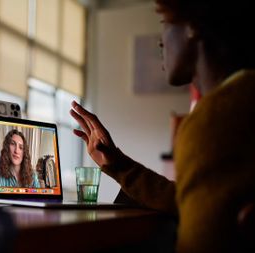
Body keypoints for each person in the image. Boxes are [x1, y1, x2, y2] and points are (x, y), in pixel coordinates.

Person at [70, 0, 255, 252]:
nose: (160, 41)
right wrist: (118, 165)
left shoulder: (216, 120)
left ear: (191, 27)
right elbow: (187, 201)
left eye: (165, 23)